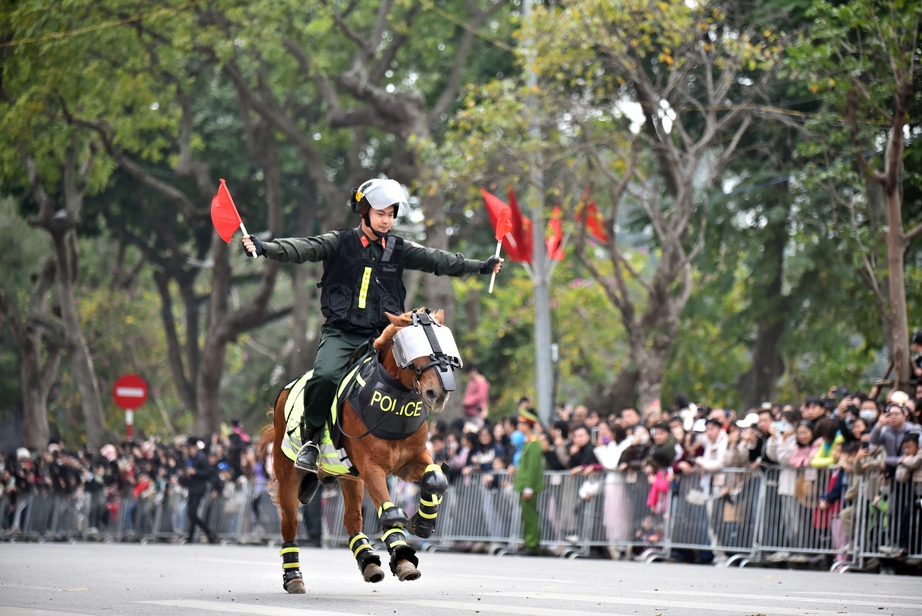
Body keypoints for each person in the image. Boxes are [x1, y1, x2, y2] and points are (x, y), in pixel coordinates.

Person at [242, 177, 502, 472]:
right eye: (381, 213)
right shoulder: (339, 242)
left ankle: (411, 447)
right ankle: (312, 441)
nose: (386, 220)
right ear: (363, 212)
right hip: (342, 334)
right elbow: (303, 248)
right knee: (326, 377)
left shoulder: (400, 248)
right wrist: (265, 248)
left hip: (385, 336)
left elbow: (437, 260)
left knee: (418, 372)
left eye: (391, 214)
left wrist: (480, 266)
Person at [512, 408, 544, 555]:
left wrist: (529, 487)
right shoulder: (528, 441)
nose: (519, 427)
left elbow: (533, 467)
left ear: (527, 425)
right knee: (526, 515)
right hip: (524, 484)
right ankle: (529, 542)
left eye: (521, 424)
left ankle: (532, 545)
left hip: (528, 485)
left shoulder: (534, 442)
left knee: (530, 516)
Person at [462, 364, 491, 429]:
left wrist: (467, 401)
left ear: (474, 371)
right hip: (468, 412)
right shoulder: (471, 382)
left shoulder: (481, 382)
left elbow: (480, 396)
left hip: (477, 412)